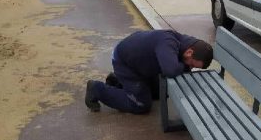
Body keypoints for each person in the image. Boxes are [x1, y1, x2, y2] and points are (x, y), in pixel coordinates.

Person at [85, 30, 213, 114]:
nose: (189, 68)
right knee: (141, 105)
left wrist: (182, 66)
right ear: (190, 52)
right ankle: (97, 89)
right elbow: (170, 70)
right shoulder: (168, 42)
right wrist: (183, 67)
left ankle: (117, 81)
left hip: (138, 61)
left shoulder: (185, 45)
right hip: (126, 65)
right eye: (191, 64)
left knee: (158, 93)